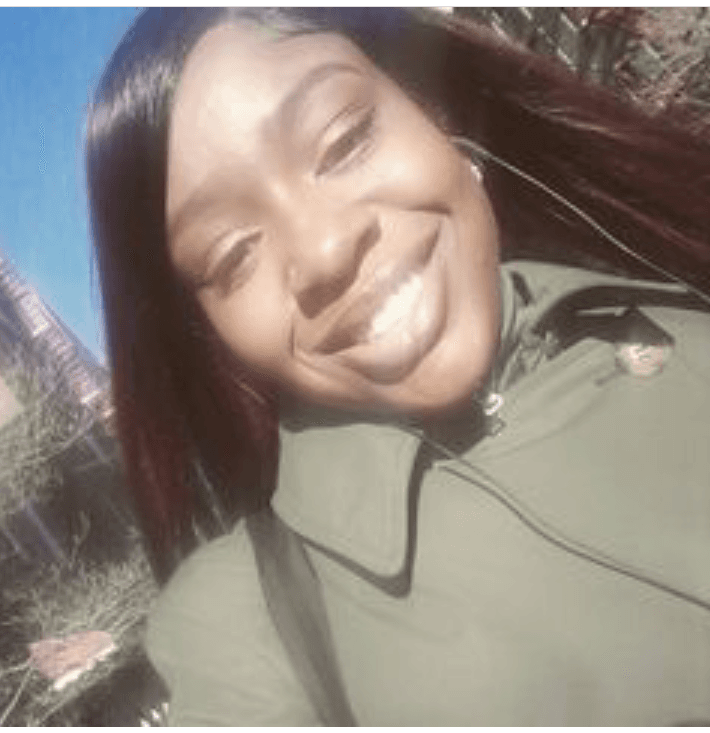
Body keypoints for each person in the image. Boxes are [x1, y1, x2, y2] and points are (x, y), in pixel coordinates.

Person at [86, 8, 710, 725]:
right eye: (233, 255)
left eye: (344, 141)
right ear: (215, 335)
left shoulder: (675, 285)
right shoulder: (245, 623)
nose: (324, 250)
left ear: (433, 110)